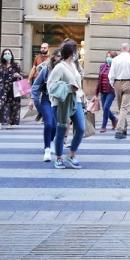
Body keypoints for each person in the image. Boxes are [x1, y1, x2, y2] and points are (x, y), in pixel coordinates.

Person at [47, 40, 85, 169]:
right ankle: (58, 158)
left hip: (77, 100)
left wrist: (82, 94)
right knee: (61, 131)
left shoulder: (74, 66)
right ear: (71, 52)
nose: (77, 53)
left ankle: (71, 155)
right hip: (61, 103)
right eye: (76, 51)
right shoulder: (59, 67)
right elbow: (50, 86)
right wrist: (69, 87)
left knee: (80, 128)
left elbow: (78, 83)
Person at [31, 49, 61, 162]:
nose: (59, 59)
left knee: (55, 126)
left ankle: (51, 141)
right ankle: (47, 149)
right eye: (57, 56)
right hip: (46, 99)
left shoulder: (64, 69)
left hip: (58, 101)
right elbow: (36, 85)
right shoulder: (46, 69)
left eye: (61, 57)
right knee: (48, 124)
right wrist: (33, 100)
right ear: (53, 57)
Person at [108, 43, 130, 139]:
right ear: (128, 49)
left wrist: (112, 83)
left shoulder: (115, 59)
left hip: (117, 83)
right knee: (124, 108)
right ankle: (120, 130)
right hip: (129, 83)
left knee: (121, 107)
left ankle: (123, 128)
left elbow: (111, 74)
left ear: (121, 49)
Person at [0, 48, 23, 131]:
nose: (7, 55)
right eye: (5, 53)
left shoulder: (16, 65)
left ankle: (11, 123)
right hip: (2, 88)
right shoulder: (0, 65)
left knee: (13, 106)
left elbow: (21, 77)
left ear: (11, 55)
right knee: (0, 106)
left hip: (13, 88)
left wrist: (18, 76)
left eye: (9, 53)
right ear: (3, 55)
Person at [96, 51, 118, 133]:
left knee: (105, 108)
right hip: (102, 90)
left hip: (111, 91)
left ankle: (103, 126)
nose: (108, 58)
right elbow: (99, 80)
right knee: (105, 108)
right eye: (107, 56)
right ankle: (114, 119)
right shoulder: (102, 66)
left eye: (110, 57)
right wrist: (96, 93)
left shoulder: (116, 67)